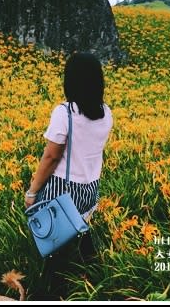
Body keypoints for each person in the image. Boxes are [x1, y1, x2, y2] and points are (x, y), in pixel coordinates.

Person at [24, 51, 113, 300]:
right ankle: (95, 276)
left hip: (64, 189)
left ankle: (53, 294)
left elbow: (51, 157)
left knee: (55, 248)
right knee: (81, 231)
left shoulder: (65, 112)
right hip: (90, 188)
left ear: (70, 81)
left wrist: (32, 191)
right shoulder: (106, 112)